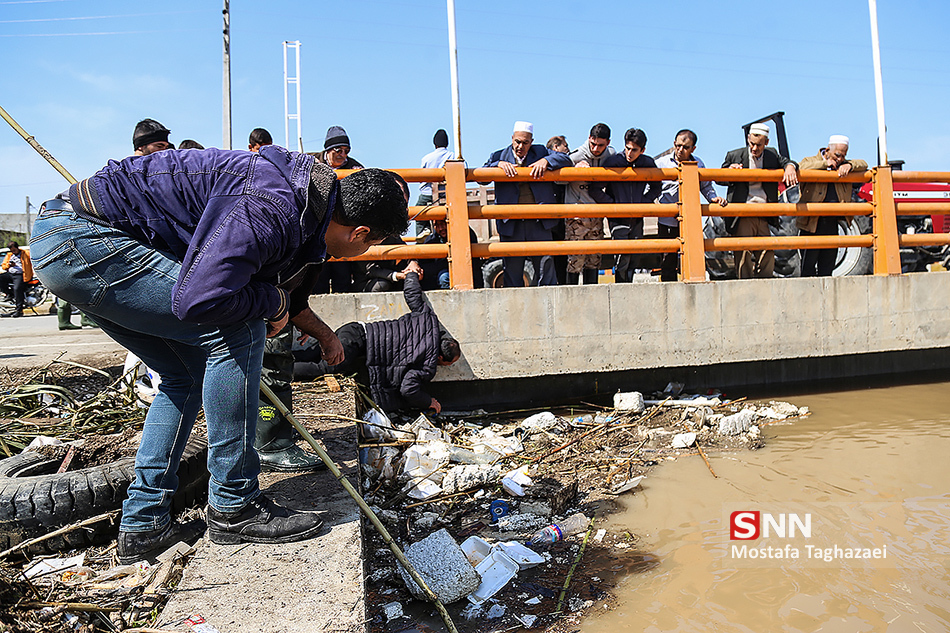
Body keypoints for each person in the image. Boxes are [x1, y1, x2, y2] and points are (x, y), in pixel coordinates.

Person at [29, 146, 408, 564]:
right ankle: (234, 504)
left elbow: (270, 290)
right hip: (85, 240)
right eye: (375, 245)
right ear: (361, 234)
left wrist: (278, 302)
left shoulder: (303, 204)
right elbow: (199, 299)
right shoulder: (271, 205)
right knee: (239, 329)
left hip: (69, 242)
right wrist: (270, 302)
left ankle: (143, 523)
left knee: (186, 375)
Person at [294, 271, 460, 415]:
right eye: (449, 363)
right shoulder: (427, 366)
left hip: (355, 329)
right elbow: (408, 389)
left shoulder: (427, 319)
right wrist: (427, 401)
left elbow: (412, 294)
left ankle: (273, 361)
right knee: (325, 368)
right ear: (440, 357)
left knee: (312, 354)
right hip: (357, 343)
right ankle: (282, 372)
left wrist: (411, 273)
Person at [482, 121, 572, 287]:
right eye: (517, 142)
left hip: (538, 222)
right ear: (512, 139)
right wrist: (498, 165)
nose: (520, 146)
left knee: (546, 272)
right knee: (512, 275)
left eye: (525, 142)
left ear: (531, 141)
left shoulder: (541, 152)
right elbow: (482, 178)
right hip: (511, 224)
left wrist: (546, 161)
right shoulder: (499, 155)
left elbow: (565, 159)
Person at [720, 123, 799, 279]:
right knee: (743, 252)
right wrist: (729, 172)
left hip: (764, 212)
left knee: (767, 252)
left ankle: (764, 283)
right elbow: (718, 179)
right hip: (743, 213)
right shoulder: (734, 155)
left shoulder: (771, 154)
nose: (755, 148)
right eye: (752, 144)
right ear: (748, 139)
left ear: (766, 143)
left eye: (759, 145)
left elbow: (787, 162)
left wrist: (790, 167)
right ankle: (745, 283)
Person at [590, 128, 662, 283]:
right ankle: (620, 287)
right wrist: (614, 205)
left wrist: (643, 203)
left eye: (634, 150)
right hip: (618, 218)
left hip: (637, 217)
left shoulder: (647, 163)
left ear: (642, 150)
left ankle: (629, 287)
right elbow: (595, 189)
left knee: (635, 256)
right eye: (627, 148)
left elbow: (657, 186)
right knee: (622, 257)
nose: (630, 153)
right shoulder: (613, 162)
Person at [654, 129, 728, 281]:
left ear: (693, 149)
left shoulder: (698, 164)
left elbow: (706, 186)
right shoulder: (661, 164)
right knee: (668, 260)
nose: (681, 150)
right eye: (678, 145)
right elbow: (650, 187)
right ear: (674, 144)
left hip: (690, 220)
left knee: (691, 258)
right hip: (667, 219)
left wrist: (713, 199)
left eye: (686, 147)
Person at [796, 135, 868, 277]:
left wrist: (850, 165)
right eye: (837, 155)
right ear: (827, 150)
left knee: (827, 267)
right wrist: (825, 164)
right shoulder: (810, 161)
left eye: (843, 156)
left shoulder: (844, 165)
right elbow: (801, 167)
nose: (840, 159)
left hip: (833, 223)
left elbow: (864, 164)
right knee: (807, 267)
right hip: (812, 224)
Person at [564, 123, 614, 285]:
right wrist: (573, 170)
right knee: (575, 260)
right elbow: (557, 181)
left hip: (596, 214)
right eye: (593, 144)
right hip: (576, 215)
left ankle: (592, 294)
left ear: (607, 143)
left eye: (601, 145)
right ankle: (571, 295)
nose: (596, 148)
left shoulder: (611, 155)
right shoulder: (575, 156)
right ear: (589, 139)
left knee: (594, 258)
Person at [415, 129, 454, 233]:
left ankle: (423, 233)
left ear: (435, 144)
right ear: (447, 143)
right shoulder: (453, 156)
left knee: (418, 214)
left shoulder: (427, 158)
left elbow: (421, 177)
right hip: (447, 194)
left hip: (428, 194)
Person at [0, 241, 31, 318]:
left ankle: (19, 310)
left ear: (17, 248)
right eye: (11, 250)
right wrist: (9, 265)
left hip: (20, 274)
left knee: (17, 289)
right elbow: (4, 266)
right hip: (11, 273)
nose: (13, 252)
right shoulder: (9, 255)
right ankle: (10, 294)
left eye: (14, 250)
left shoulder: (25, 253)